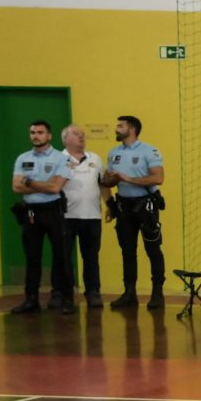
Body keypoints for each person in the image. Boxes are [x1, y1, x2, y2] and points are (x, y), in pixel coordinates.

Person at [8, 117, 71, 315]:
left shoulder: (61, 158)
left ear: (49, 135)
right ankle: (31, 299)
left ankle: (64, 297)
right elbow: (16, 186)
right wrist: (42, 184)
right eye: (33, 133)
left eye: (40, 132)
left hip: (53, 210)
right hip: (31, 212)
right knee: (32, 257)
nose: (35, 136)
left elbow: (55, 187)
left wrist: (31, 182)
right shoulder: (23, 158)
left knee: (61, 255)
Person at [105, 115, 168, 310]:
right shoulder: (114, 153)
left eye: (120, 126)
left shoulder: (149, 151)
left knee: (152, 249)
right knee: (127, 250)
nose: (116, 129)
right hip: (124, 206)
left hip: (145, 206)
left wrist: (128, 178)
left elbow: (158, 178)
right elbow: (110, 182)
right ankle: (129, 293)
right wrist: (109, 182)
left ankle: (157, 293)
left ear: (131, 129)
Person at [57, 125, 107, 308]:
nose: (82, 137)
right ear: (66, 139)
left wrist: (109, 204)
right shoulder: (58, 159)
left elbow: (102, 184)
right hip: (66, 216)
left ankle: (93, 292)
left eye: (83, 134)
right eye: (77, 134)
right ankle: (67, 295)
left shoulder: (96, 158)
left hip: (92, 216)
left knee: (91, 257)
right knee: (65, 258)